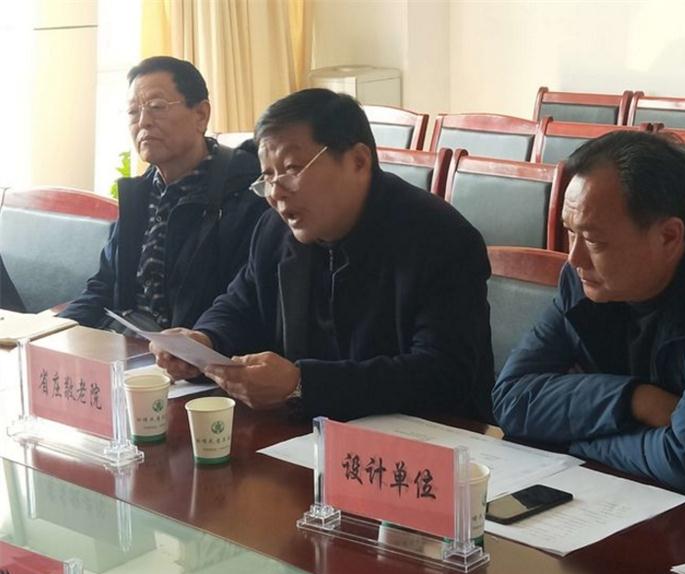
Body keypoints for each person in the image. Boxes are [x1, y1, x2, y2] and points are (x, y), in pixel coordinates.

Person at [152, 88, 495, 422]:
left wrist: (303, 384)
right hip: (303, 437)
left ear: (358, 161)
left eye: (292, 169)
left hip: (422, 440)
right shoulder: (275, 229)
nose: (276, 193)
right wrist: (206, 340)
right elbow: (242, 303)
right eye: (268, 176)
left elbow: (443, 374)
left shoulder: (440, 238)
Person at [493, 131, 685, 502]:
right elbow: (511, 399)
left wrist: (575, 439)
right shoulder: (584, 279)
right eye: (570, 233)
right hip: (630, 492)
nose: (574, 258)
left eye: (594, 241)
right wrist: (634, 399)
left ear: (668, 236)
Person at [60, 56, 265, 331]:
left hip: (195, 347)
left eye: (157, 107)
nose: (143, 122)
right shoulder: (141, 192)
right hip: (124, 339)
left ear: (201, 115)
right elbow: (104, 286)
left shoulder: (247, 192)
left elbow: (243, 303)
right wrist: (53, 333)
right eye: (133, 112)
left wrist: (193, 343)